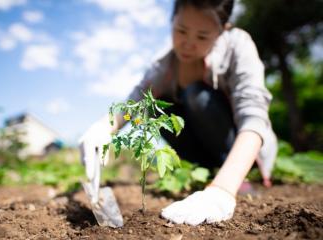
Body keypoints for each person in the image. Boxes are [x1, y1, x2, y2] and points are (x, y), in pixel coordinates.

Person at [79, 0, 277, 226]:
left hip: (240, 150)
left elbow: (254, 115)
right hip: (200, 149)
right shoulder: (164, 66)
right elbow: (134, 104)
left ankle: (233, 176)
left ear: (222, 31)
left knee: (197, 96)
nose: (188, 44)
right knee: (152, 104)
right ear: (172, 20)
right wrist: (104, 128)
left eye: (202, 36)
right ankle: (203, 171)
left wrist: (222, 190)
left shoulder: (238, 45)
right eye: (181, 30)